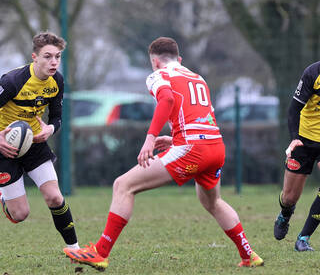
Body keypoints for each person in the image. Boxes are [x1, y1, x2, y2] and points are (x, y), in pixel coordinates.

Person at [64, 37, 264, 270]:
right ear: (179, 59)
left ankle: (100, 252)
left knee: (123, 185)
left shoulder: (159, 75)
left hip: (192, 150)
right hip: (215, 147)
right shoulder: (198, 78)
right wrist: (175, 138)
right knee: (214, 202)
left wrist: (150, 138)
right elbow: (202, 116)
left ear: (155, 62)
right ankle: (249, 255)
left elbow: (167, 99)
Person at [0, 31, 79, 251]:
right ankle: (3, 195)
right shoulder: (12, 81)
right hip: (4, 148)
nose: (53, 62)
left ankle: (75, 249)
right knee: (20, 215)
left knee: (55, 197)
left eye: (57, 56)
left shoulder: (57, 81)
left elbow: (56, 116)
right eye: (47, 56)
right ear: (34, 57)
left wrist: (50, 129)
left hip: (34, 144)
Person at [274, 60, 320, 251]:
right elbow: (293, 109)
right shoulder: (313, 72)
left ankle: (303, 238)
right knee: (290, 197)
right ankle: (286, 212)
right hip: (304, 138)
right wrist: (294, 138)